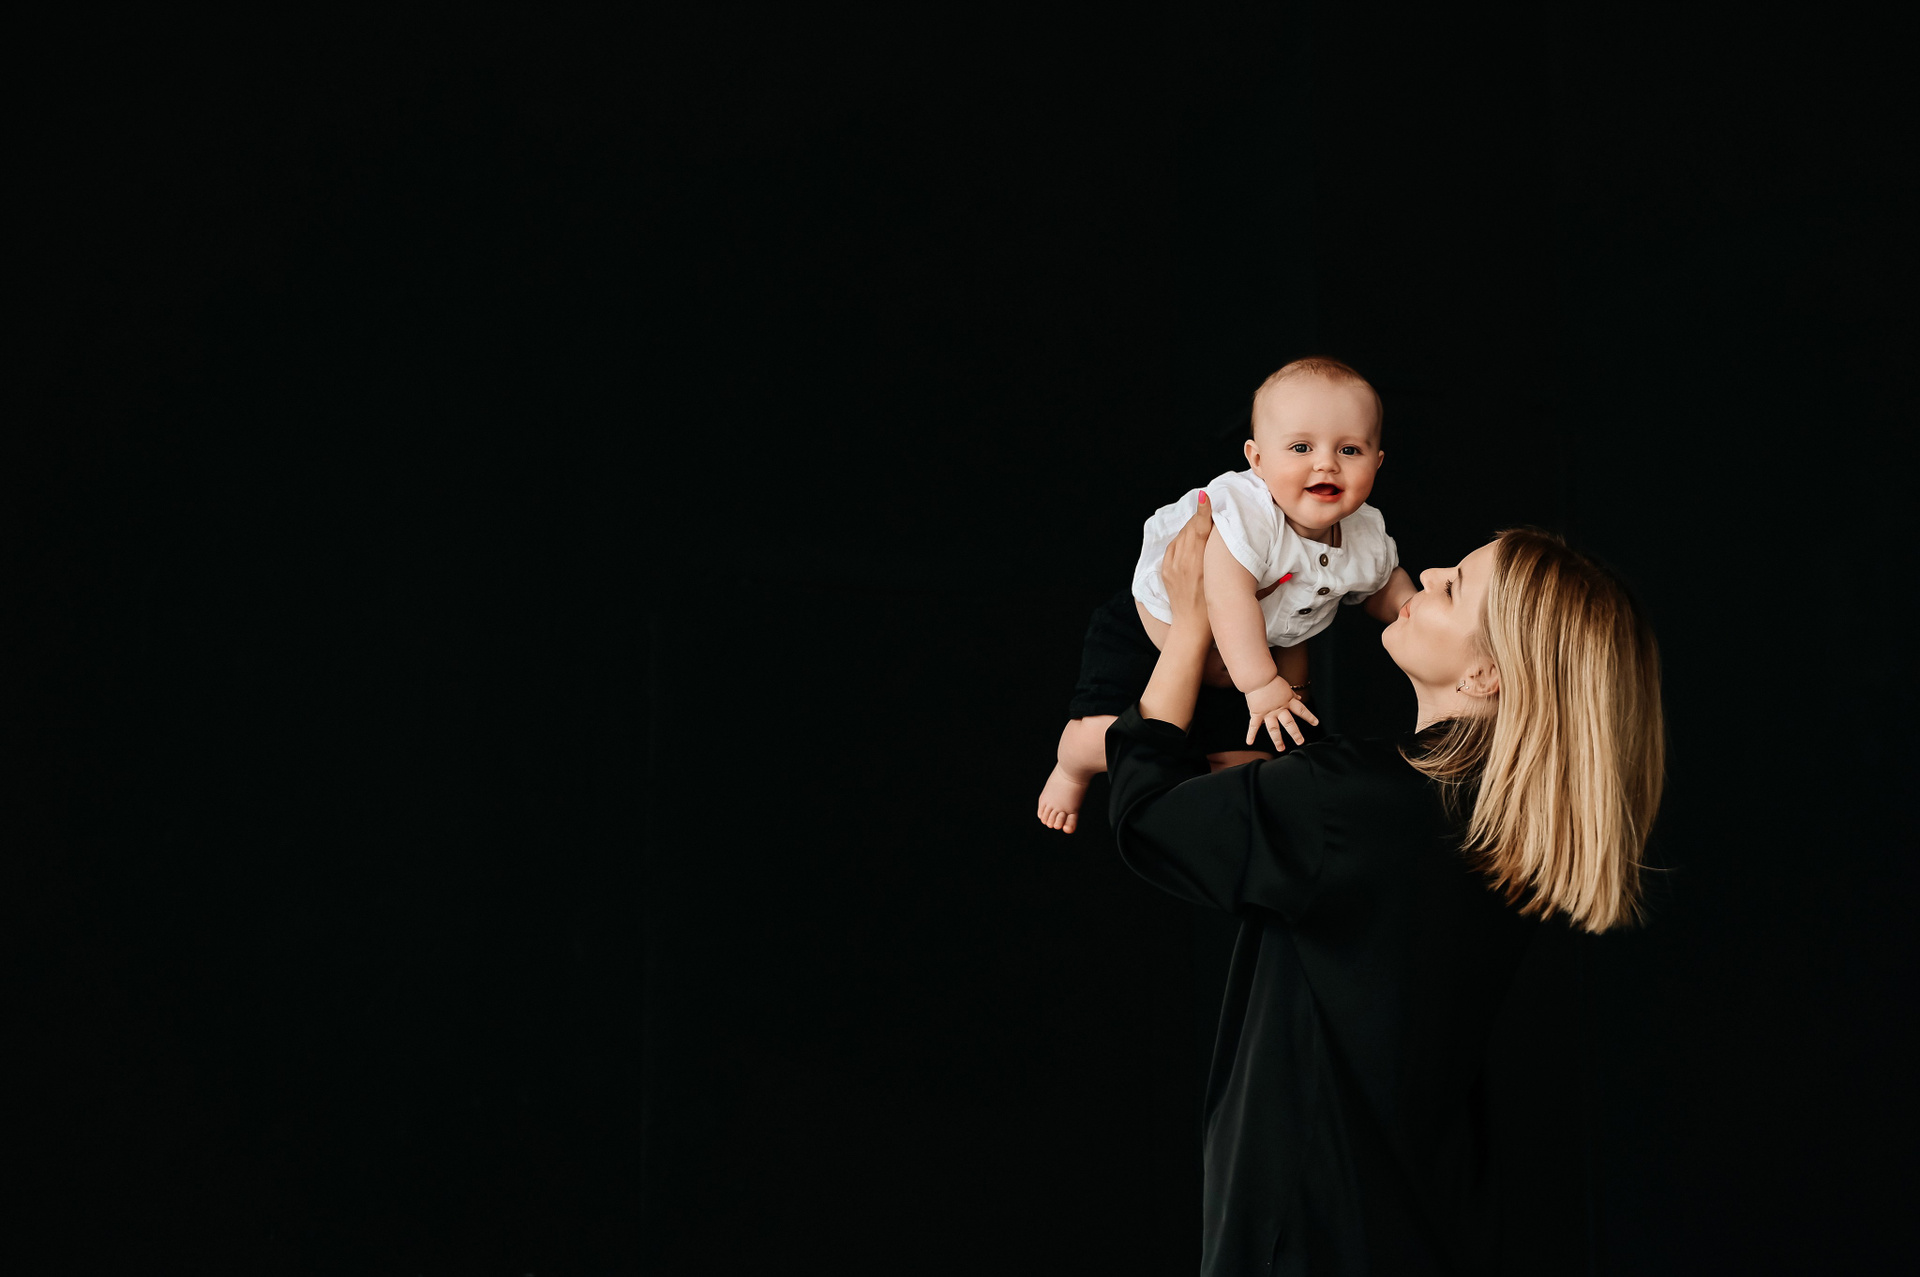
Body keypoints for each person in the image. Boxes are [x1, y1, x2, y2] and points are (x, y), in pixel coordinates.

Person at [1108, 497, 1664, 1274]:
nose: (1426, 574)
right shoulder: (1501, 829)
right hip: (1428, 1229)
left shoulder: (1353, 801)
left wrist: (1193, 624)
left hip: (1311, 1244)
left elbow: (1147, 817)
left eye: (1454, 585)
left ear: (1486, 672)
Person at [1037, 356, 1415, 834]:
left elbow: (1383, 585)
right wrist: (1260, 683)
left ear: (1377, 461)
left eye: (1350, 450)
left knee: (1245, 768)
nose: (1326, 463)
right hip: (1152, 638)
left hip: (1243, 668)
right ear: (1257, 460)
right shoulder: (1248, 510)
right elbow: (1227, 595)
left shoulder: (1365, 533)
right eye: (1301, 447)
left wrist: (1412, 607)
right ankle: (1070, 768)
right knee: (1106, 739)